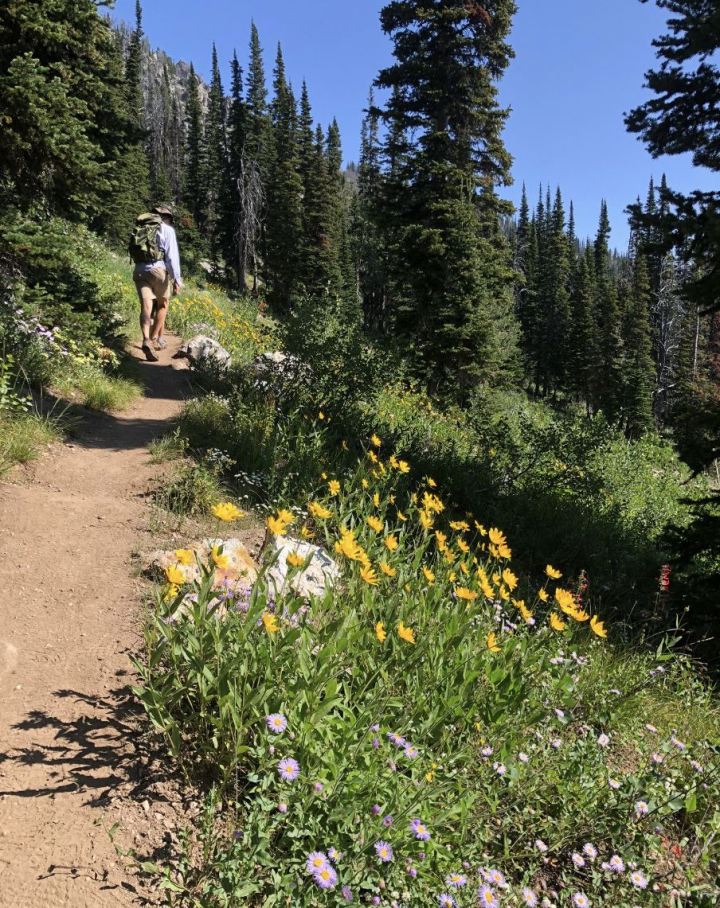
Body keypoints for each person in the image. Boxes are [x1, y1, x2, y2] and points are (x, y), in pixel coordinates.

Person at [132, 204, 183, 362]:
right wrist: (177, 279)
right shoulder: (167, 230)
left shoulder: (141, 227)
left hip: (139, 269)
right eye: (169, 218)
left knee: (146, 307)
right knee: (163, 304)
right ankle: (153, 340)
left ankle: (146, 338)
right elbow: (171, 257)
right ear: (166, 217)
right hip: (158, 270)